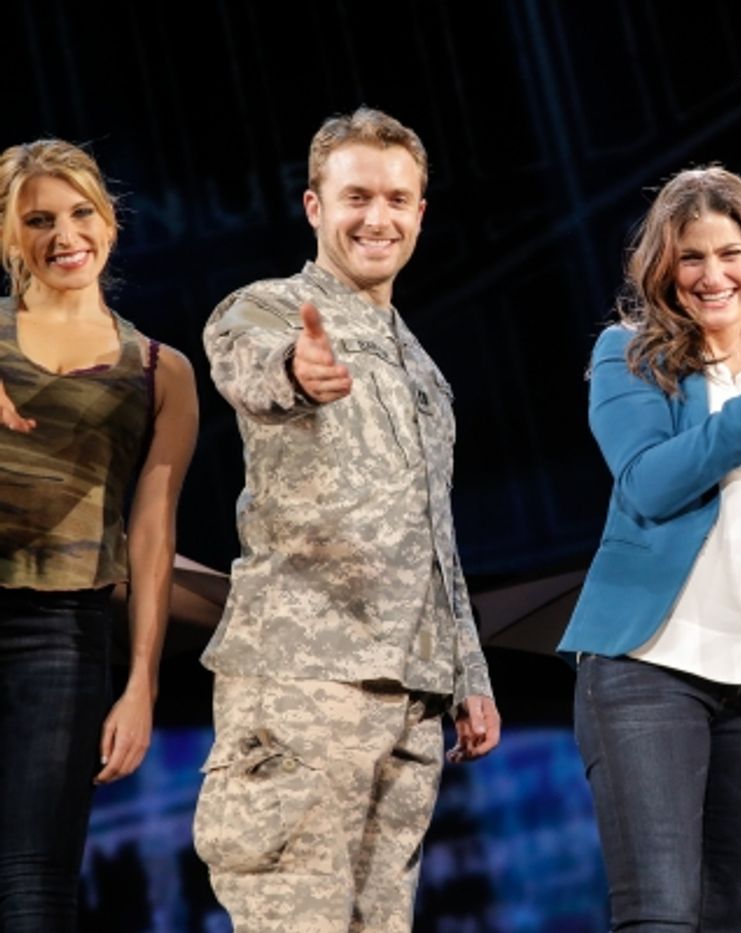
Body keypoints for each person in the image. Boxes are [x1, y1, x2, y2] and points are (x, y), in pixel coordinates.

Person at [194, 107, 500, 933]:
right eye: (357, 195)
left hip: (412, 693)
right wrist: (299, 367)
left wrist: (468, 672)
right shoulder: (265, 309)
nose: (379, 217)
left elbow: (439, 534)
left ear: (421, 213)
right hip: (302, 683)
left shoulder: (422, 368)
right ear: (314, 207)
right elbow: (245, 364)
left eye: (398, 199)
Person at [557, 165, 741, 931]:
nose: (712, 274)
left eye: (730, 253)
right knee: (659, 916)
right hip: (647, 668)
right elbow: (652, 484)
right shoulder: (628, 359)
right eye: (691, 257)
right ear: (665, 268)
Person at [0, 139, 198, 932]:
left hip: (61, 629)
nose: (64, 234)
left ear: (109, 222)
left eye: (80, 212)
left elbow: (151, 531)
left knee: (32, 880)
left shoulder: (159, 371)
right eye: (37, 218)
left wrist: (142, 679)